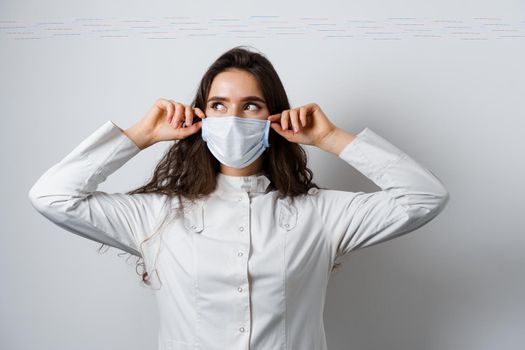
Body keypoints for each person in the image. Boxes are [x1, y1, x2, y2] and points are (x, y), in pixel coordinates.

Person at [28, 45, 450, 350]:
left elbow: (425, 197)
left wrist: (331, 137)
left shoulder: (321, 214)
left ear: (274, 117)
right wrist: (142, 134)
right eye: (217, 104)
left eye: (250, 105)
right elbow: (52, 196)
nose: (231, 118)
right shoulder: (156, 215)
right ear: (200, 117)